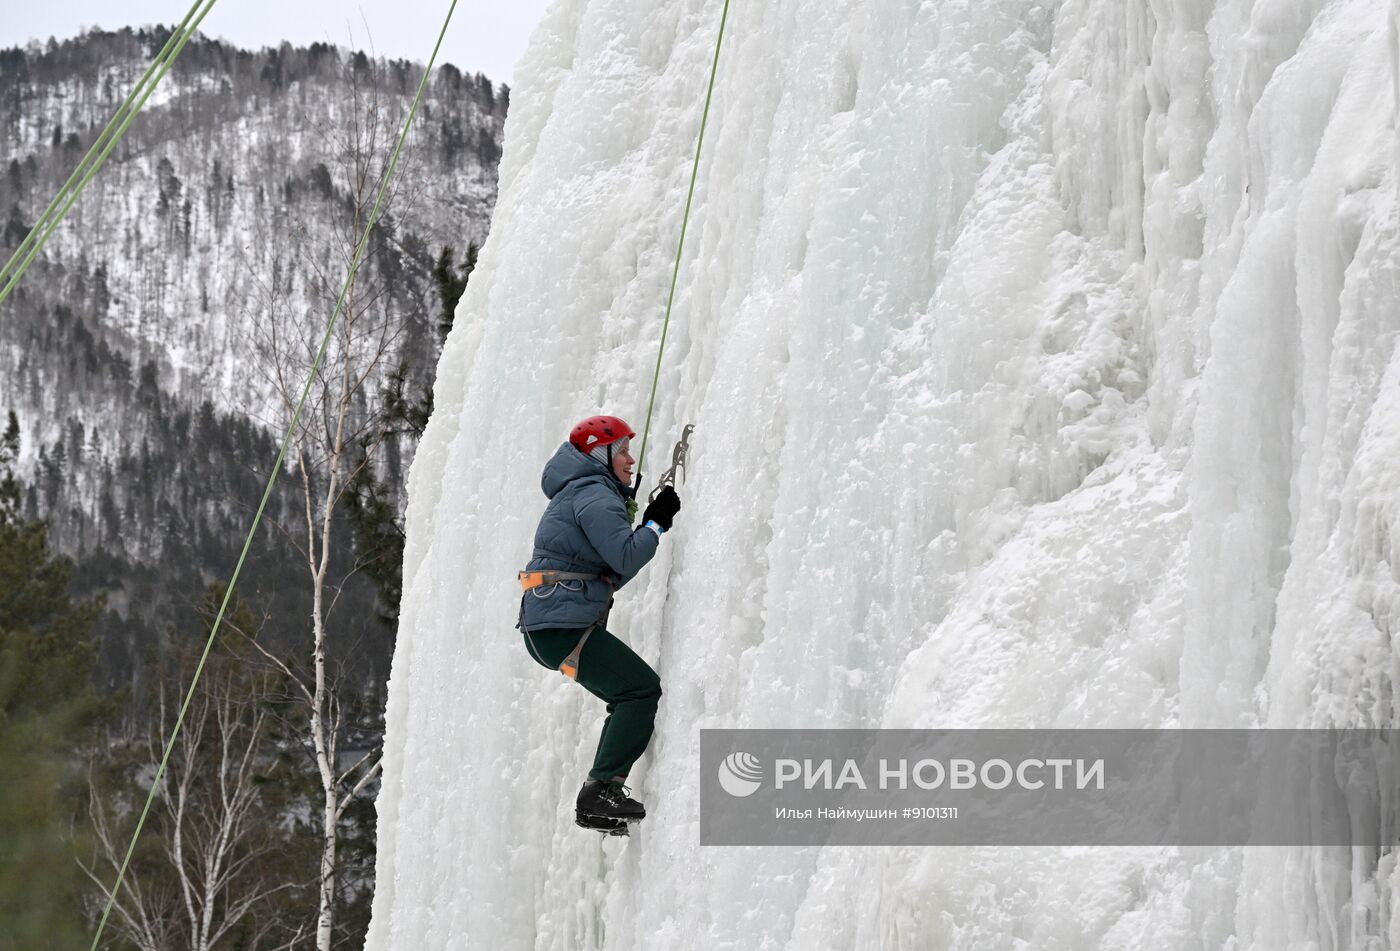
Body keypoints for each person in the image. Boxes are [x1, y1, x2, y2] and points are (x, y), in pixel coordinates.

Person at [518, 415, 682, 833]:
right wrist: (654, 524)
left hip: (552, 627)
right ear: (600, 454)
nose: (630, 459)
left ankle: (604, 793)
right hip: (562, 625)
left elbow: (613, 571)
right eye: (623, 450)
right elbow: (626, 557)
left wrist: (646, 525)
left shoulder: (583, 491)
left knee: (628, 694)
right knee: (639, 690)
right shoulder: (593, 493)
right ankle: (599, 793)